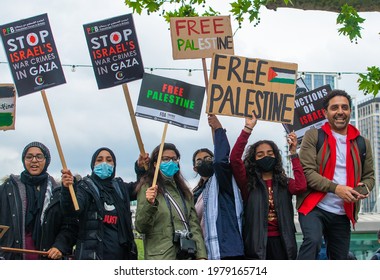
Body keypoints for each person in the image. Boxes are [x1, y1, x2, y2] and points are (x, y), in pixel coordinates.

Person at [296, 89, 375, 260]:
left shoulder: (363, 143)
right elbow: (307, 172)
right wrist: (336, 188)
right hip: (314, 206)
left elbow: (370, 176)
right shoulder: (313, 135)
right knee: (313, 240)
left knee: (340, 259)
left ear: (350, 112)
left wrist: (364, 188)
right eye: (334, 108)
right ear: (325, 113)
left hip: (342, 211)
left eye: (344, 107)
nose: (340, 112)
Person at [230, 113, 307, 260]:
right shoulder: (248, 183)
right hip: (256, 246)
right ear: (253, 160)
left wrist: (293, 154)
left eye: (270, 153)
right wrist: (247, 129)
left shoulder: (284, 183)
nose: (265, 157)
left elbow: (301, 186)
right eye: (260, 155)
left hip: (283, 244)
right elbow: (234, 159)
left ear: (276, 157)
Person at [60, 147, 148, 260]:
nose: (104, 163)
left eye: (109, 160)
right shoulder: (85, 187)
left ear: (114, 164)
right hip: (92, 257)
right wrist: (67, 190)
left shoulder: (120, 187)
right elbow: (71, 210)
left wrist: (141, 169)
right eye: (99, 160)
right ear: (93, 164)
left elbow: (140, 189)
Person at [0, 141, 78, 260]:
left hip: (47, 258)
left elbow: (69, 225)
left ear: (47, 160)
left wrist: (59, 247)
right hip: (13, 257)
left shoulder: (58, 191)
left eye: (39, 157)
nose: (34, 160)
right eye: (29, 157)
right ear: (23, 160)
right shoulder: (8, 188)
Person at [135, 143, 207, 260]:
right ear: (155, 163)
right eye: (165, 159)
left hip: (185, 256)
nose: (171, 162)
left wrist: (201, 256)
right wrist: (149, 204)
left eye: (174, 159)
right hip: (161, 258)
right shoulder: (148, 188)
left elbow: (194, 226)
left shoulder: (185, 192)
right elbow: (140, 227)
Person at [192, 114, 244, 260]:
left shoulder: (223, 181)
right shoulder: (195, 194)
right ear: (195, 168)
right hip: (204, 252)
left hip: (227, 250)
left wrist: (218, 129)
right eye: (199, 160)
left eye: (208, 158)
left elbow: (221, 161)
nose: (204, 162)